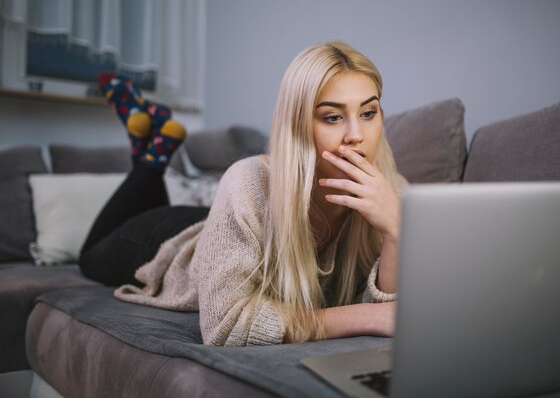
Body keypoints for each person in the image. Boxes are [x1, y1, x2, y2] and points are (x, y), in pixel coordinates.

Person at [80, 41, 407, 346]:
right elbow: (225, 326)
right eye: (333, 117)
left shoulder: (395, 195)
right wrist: (362, 316)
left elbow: (391, 316)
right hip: (168, 239)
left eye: (368, 113)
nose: (356, 135)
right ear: (298, 127)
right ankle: (154, 156)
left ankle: (149, 141)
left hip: (221, 226)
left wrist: (394, 232)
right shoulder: (248, 181)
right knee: (89, 255)